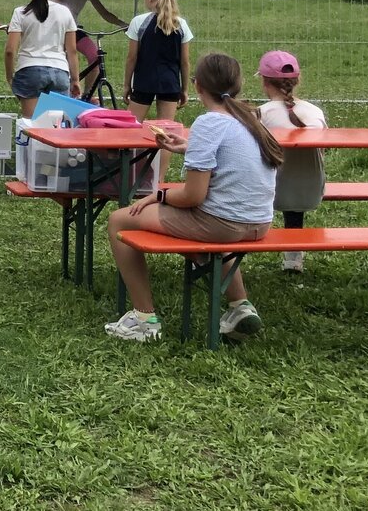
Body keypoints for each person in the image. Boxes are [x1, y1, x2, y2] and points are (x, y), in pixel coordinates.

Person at [105, 52, 284, 342]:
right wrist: (187, 147)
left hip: (223, 223)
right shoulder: (250, 119)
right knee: (211, 236)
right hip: (259, 222)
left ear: (198, 85)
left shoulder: (208, 123)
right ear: (237, 85)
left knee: (120, 221)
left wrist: (159, 195)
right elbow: (231, 155)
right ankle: (240, 306)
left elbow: (192, 196)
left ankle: (143, 319)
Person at [257, 50, 326, 274]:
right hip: (312, 190)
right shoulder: (315, 112)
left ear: (265, 83)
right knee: (295, 176)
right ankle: (293, 260)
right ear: (297, 81)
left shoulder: (262, 113)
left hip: (271, 192)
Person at [4, 0, 80, 118]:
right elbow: (71, 51)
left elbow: (10, 50)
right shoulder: (64, 11)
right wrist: (75, 79)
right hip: (59, 70)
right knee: (55, 125)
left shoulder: (21, 12)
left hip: (29, 69)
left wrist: (10, 76)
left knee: (31, 123)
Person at [122, 0, 193, 121]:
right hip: (170, 83)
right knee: (165, 131)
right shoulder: (180, 24)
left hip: (143, 82)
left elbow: (132, 58)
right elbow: (185, 62)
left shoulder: (139, 22)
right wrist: (184, 89)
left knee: (131, 129)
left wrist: (126, 85)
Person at [51, 0, 126, 95]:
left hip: (74, 30)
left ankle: (87, 94)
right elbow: (55, 12)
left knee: (95, 56)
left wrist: (122, 24)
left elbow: (104, 13)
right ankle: (64, 92)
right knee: (64, 60)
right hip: (57, 31)